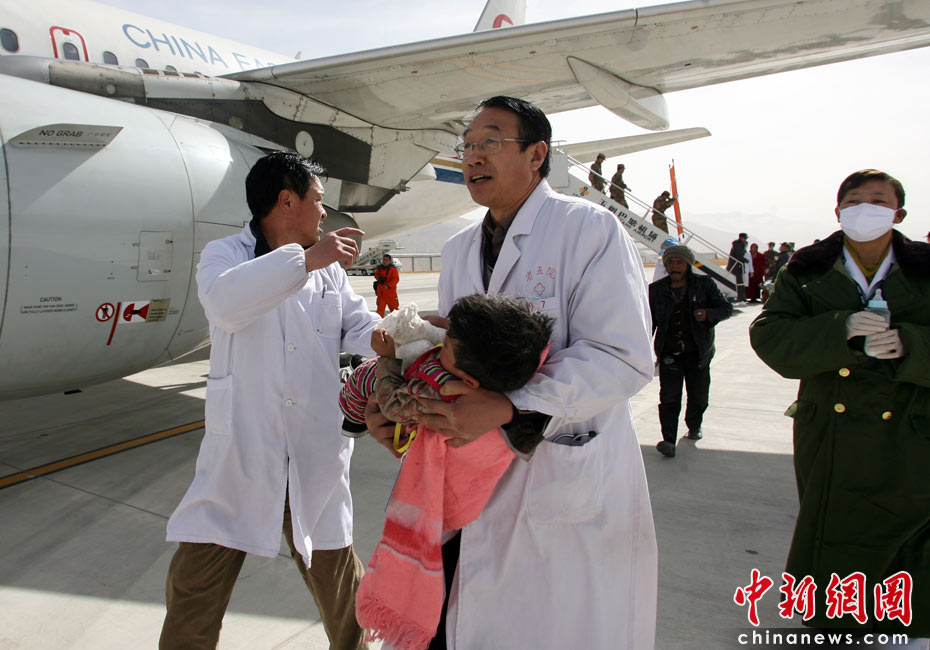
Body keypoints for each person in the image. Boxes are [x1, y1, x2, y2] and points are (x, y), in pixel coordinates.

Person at [367, 96, 657, 649]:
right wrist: (402, 406)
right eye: (467, 145)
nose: (473, 155)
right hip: (465, 478)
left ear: (536, 155)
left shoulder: (588, 229)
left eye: (490, 141)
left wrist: (511, 405)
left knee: (550, 627)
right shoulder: (458, 250)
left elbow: (623, 355)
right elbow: (450, 354)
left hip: (557, 473)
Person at [159, 152, 378, 650]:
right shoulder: (225, 255)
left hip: (312, 456)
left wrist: (401, 334)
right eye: (318, 200)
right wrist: (306, 261)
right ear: (286, 200)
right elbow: (225, 305)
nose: (324, 213)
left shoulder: (328, 271)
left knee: (344, 596)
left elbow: (357, 324)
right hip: (242, 457)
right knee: (194, 592)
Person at [750, 169, 930, 641]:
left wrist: (911, 345)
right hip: (831, 427)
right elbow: (770, 336)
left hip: (911, 427)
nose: (865, 209)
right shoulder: (806, 270)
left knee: (910, 531)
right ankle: (836, 624)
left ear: (899, 214)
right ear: (837, 212)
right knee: (834, 528)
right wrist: (840, 329)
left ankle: (908, 626)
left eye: (878, 200)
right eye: (854, 201)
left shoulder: (926, 269)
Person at [355, 295, 554, 648]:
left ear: (468, 379)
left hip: (453, 505)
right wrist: (447, 329)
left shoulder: (442, 392)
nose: (441, 339)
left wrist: (387, 360)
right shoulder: (518, 357)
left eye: (446, 343)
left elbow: (394, 404)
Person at [649, 245, 733, 457]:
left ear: (687, 264)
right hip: (669, 354)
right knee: (669, 398)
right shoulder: (656, 290)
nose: (674, 267)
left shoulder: (704, 285)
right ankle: (668, 439)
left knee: (698, 397)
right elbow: (648, 322)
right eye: (670, 262)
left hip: (698, 353)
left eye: (679, 262)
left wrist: (707, 314)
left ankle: (694, 425)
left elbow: (725, 308)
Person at [726, 232, 749, 301]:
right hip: (736, 266)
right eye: (745, 238)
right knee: (739, 282)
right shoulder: (738, 245)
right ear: (741, 238)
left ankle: (741, 297)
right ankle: (741, 297)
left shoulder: (737, 244)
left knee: (739, 282)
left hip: (736, 266)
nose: (745, 240)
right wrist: (746, 260)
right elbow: (739, 256)